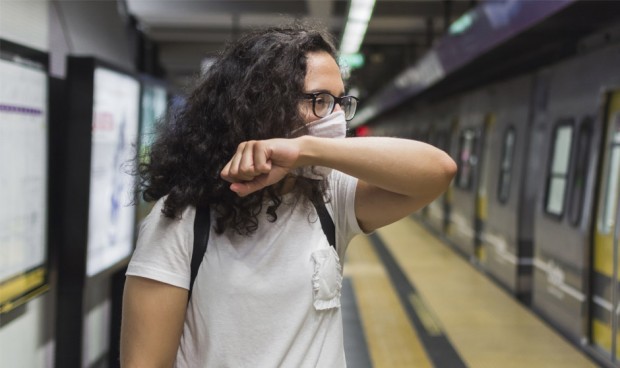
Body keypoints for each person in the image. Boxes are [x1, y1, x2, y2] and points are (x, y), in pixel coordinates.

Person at [120, 24, 457, 368]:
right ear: (263, 105)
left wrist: (307, 149)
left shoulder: (328, 197)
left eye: (341, 103)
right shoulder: (182, 219)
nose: (337, 118)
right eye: (321, 101)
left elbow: (438, 171)